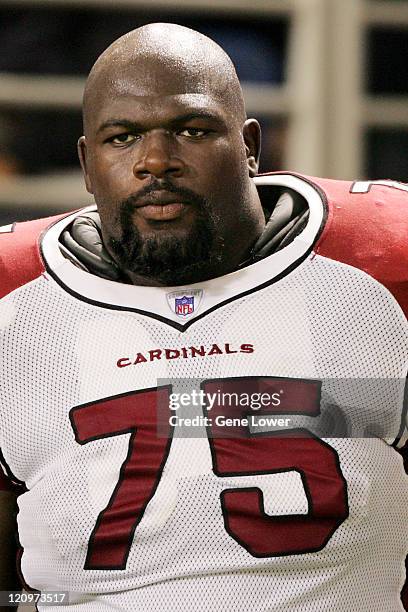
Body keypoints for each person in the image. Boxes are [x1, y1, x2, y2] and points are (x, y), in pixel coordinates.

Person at [0, 22, 406, 612]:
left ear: (249, 147)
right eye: (122, 137)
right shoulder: (13, 299)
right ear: (86, 164)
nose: (156, 161)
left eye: (192, 130)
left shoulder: (381, 256)